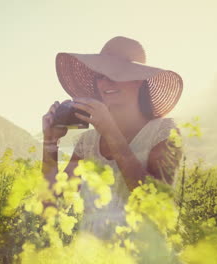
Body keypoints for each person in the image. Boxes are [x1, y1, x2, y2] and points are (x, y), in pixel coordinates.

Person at [41, 36, 184, 240]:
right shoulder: (87, 143)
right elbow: (51, 206)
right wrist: (50, 143)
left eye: (116, 74)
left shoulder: (164, 132)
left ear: (139, 80)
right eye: (100, 75)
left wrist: (110, 132)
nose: (105, 82)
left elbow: (155, 205)